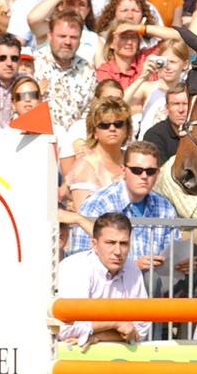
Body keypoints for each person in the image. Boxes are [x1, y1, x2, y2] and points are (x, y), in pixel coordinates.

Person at [68, 139, 175, 266]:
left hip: (156, 277)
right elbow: (81, 259)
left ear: (157, 174)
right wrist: (132, 267)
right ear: (123, 171)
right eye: (137, 170)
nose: (144, 176)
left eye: (150, 171)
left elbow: (172, 256)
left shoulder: (165, 207)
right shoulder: (98, 203)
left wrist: (182, 264)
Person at [56, 212, 151, 348]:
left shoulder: (132, 269)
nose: (117, 251)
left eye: (123, 244)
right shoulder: (75, 267)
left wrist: (98, 336)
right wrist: (115, 323)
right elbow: (64, 330)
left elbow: (140, 330)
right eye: (110, 243)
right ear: (94, 244)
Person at [35, 10, 98, 130]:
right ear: (49, 36)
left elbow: (90, 112)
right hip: (41, 135)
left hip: (78, 137)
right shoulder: (35, 65)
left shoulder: (87, 69)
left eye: (74, 37)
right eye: (62, 36)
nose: (68, 42)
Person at [67, 96, 132, 212]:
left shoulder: (134, 160)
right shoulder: (84, 166)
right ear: (94, 131)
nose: (112, 128)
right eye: (104, 125)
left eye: (118, 124)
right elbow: (84, 214)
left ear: (127, 129)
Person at [125, 37, 190, 135]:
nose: (168, 67)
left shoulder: (189, 91)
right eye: (164, 62)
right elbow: (120, 103)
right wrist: (142, 77)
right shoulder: (148, 88)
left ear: (185, 65)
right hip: (148, 141)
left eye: (173, 62)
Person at [142, 81, 189, 166]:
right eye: (175, 104)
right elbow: (159, 170)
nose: (181, 110)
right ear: (167, 109)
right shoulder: (154, 135)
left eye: (185, 104)